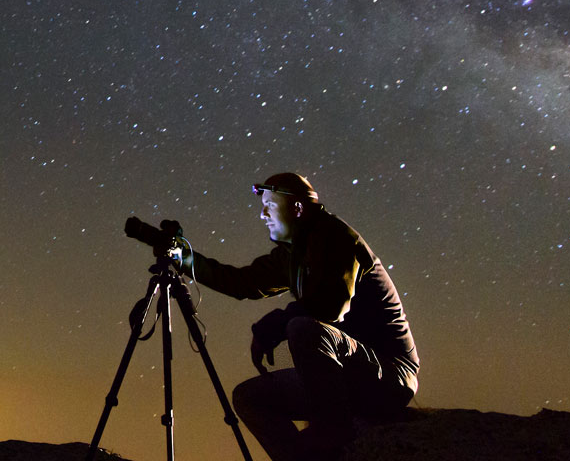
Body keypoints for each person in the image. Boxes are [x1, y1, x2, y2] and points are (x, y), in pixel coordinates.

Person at [171, 172, 419, 460]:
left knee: (304, 328)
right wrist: (183, 258)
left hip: (387, 375)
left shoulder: (337, 237)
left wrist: (277, 322)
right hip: (342, 376)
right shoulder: (293, 255)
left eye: (270, 206)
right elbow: (241, 282)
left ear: (298, 208)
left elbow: (332, 307)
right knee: (249, 398)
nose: (262, 215)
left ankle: (332, 431)